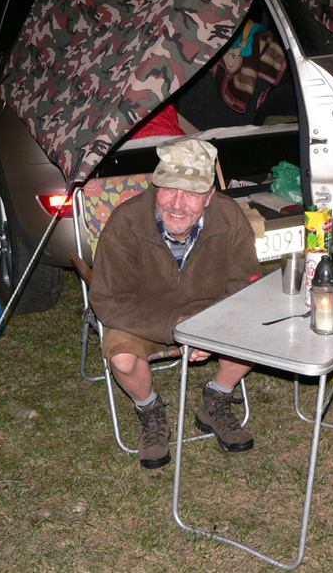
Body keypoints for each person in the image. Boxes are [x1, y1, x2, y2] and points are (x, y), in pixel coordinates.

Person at [89, 137, 262, 469]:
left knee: (258, 334)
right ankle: (150, 409)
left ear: (209, 196)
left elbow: (245, 287)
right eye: (169, 189)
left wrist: (206, 328)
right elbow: (108, 301)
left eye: (192, 193)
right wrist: (175, 328)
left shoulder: (230, 218)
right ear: (156, 186)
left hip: (208, 312)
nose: (177, 204)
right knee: (122, 359)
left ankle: (216, 399)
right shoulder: (125, 222)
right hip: (143, 317)